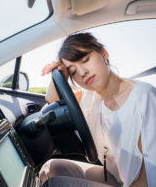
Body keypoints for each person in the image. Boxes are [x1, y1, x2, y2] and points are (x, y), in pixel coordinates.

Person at [39, 33, 156, 187]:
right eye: (73, 71)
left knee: (55, 184)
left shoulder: (143, 97)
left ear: (104, 53)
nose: (82, 72)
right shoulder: (90, 96)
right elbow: (51, 99)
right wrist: (59, 73)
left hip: (140, 183)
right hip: (116, 176)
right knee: (50, 168)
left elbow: (150, 171)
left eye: (85, 60)